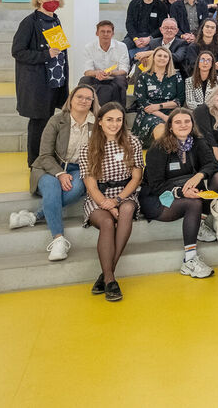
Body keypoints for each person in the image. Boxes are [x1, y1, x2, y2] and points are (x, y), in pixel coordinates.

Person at [9, 84, 96, 261]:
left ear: (93, 102)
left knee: (77, 189)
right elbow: (45, 155)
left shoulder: (97, 124)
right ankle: (58, 239)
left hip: (79, 168)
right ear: (71, 99)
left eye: (88, 98)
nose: (84, 101)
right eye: (80, 96)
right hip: (49, 167)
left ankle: (34, 216)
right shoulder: (56, 121)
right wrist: (60, 174)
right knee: (52, 187)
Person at [140, 108, 218, 279]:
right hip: (158, 197)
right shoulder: (158, 148)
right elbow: (156, 186)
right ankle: (189, 260)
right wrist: (182, 193)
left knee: (214, 179)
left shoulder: (198, 142)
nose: (183, 125)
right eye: (178, 122)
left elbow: (213, 164)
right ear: (170, 126)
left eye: (187, 121)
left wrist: (199, 175)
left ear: (192, 124)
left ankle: (200, 223)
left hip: (185, 188)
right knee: (193, 202)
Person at [81, 102, 143, 302]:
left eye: (118, 119)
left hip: (125, 192)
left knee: (126, 210)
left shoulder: (132, 142)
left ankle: (107, 277)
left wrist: (117, 200)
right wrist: (106, 203)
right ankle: (109, 277)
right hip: (99, 196)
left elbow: (136, 178)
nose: (114, 124)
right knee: (107, 222)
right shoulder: (88, 148)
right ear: (99, 122)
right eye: (109, 119)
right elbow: (90, 185)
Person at [13, 0, 70, 164]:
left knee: (52, 122)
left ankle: (48, 158)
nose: (52, 1)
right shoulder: (29, 22)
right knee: (38, 123)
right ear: (39, 0)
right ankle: (35, 162)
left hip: (56, 80)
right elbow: (18, 51)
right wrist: (45, 55)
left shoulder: (55, 20)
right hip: (38, 82)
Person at [130, 46, 184, 145]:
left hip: (171, 111)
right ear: (153, 57)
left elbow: (180, 100)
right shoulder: (144, 76)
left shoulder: (176, 76)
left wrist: (160, 106)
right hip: (150, 113)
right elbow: (142, 102)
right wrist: (163, 116)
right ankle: (163, 154)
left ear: (169, 60)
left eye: (165, 56)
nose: (162, 58)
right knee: (160, 126)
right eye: (159, 55)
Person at [79, 20, 129, 106]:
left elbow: (124, 70)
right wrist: (96, 73)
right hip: (97, 77)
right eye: (102, 31)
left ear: (112, 34)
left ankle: (120, 109)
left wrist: (111, 73)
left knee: (121, 80)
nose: (105, 34)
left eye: (108, 32)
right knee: (84, 80)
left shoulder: (121, 46)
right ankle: (85, 108)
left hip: (114, 76)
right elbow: (87, 71)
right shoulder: (89, 47)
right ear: (97, 33)